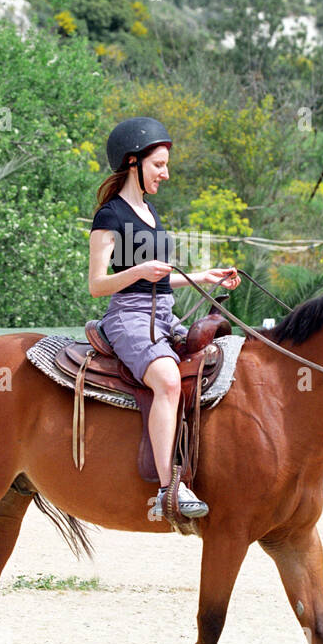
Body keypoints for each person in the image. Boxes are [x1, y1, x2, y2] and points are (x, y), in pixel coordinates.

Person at [89, 116, 240, 522]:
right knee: (169, 379)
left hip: (163, 313)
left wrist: (203, 277)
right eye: (159, 165)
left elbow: (158, 277)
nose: (165, 173)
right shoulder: (110, 216)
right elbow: (97, 284)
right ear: (133, 162)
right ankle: (166, 489)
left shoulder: (151, 212)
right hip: (128, 319)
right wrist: (138, 271)